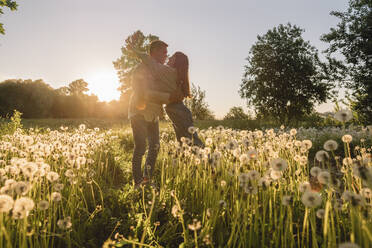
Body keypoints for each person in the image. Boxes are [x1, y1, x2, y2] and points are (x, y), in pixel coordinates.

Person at [127, 37, 204, 148]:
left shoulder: (168, 71)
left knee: (191, 141)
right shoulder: (174, 73)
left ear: (176, 62)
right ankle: (195, 161)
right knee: (185, 141)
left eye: (171, 57)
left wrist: (134, 50)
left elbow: (148, 61)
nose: (168, 58)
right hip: (177, 110)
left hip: (177, 110)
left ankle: (207, 160)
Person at [128, 40, 183, 188]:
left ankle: (146, 179)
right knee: (140, 146)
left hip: (153, 113)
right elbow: (144, 93)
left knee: (155, 146)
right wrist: (168, 97)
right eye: (164, 53)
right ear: (154, 52)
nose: (166, 56)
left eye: (167, 53)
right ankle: (137, 182)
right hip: (139, 112)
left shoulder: (160, 69)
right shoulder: (141, 68)